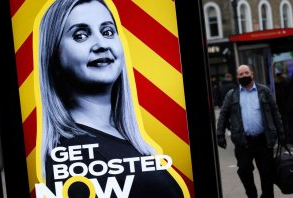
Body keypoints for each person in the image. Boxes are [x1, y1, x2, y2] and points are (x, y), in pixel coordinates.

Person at [36, 0, 184, 197]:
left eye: (107, 32)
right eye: (80, 35)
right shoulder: (74, 154)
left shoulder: (118, 135)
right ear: (52, 55)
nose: (101, 44)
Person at [217, 65, 285, 198]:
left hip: (264, 140)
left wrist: (281, 133)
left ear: (252, 74)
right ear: (237, 77)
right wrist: (220, 134)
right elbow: (223, 114)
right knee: (244, 171)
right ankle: (252, 195)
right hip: (243, 142)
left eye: (246, 73)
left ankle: (267, 196)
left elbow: (275, 113)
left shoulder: (264, 91)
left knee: (267, 173)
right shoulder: (232, 94)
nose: (244, 76)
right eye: (241, 74)